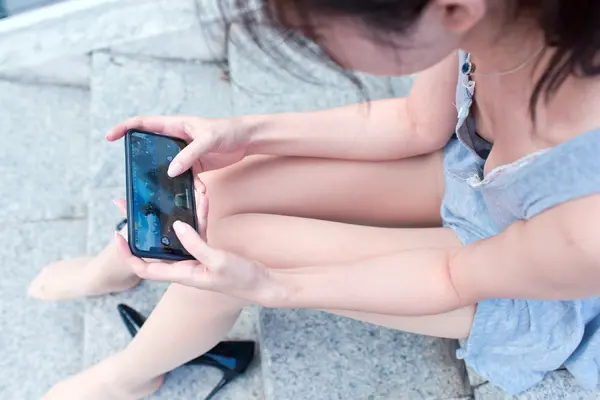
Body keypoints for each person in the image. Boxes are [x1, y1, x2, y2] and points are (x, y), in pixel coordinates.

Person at [29, 0, 600, 398]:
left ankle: (131, 376)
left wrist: (276, 287)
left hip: (528, 287)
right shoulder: (500, 15)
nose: (317, 47)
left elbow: (453, 277)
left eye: (321, 35)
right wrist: (245, 134)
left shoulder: (587, 217)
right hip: (479, 178)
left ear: (453, 10)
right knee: (221, 182)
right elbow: (415, 123)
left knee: (239, 243)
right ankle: (123, 262)